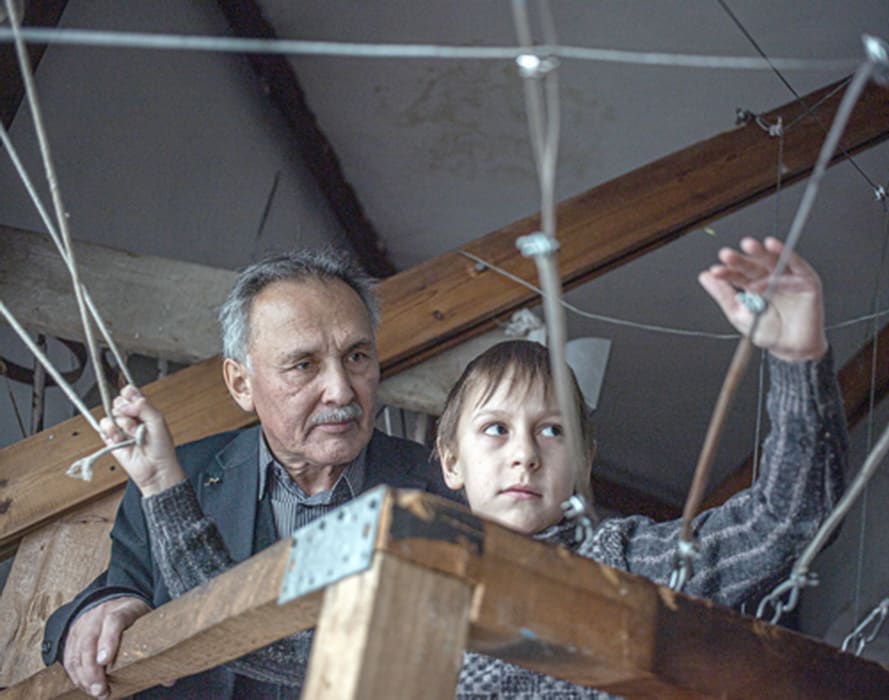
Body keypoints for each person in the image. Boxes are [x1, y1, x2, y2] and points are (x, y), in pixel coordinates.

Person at [84, 236, 848, 698]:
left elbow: (781, 526)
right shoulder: (409, 589)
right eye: (495, 430)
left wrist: (797, 359)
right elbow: (248, 638)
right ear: (448, 461)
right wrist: (162, 491)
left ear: (583, 460)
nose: (524, 452)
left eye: (552, 431)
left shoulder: (619, 560)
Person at [42, 248, 458, 699]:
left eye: (356, 357)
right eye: (304, 365)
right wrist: (106, 608)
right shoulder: (183, 476)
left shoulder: (445, 488)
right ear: (241, 384)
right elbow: (121, 585)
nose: (340, 390)